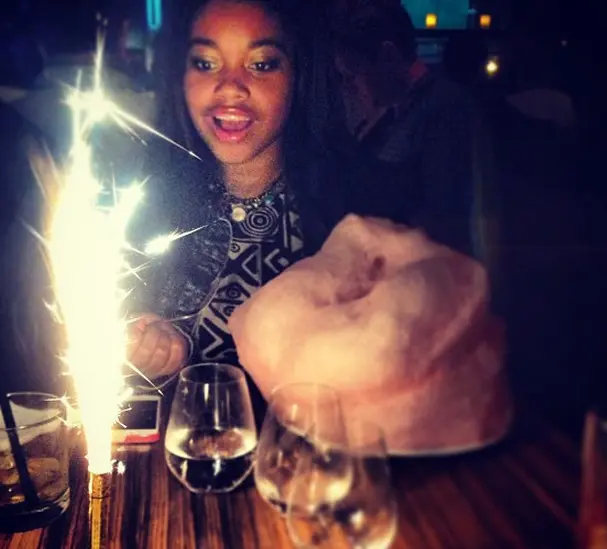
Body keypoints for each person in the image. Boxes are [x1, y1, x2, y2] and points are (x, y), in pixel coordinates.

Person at [126, 0, 388, 382]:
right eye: (206, 63)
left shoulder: (356, 222)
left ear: (299, 75)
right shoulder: (146, 203)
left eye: (261, 64)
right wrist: (146, 349)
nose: (230, 87)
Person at [333, 2, 488, 259]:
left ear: (388, 56)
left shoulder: (444, 108)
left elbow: (445, 213)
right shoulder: (392, 109)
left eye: (354, 75)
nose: (351, 87)